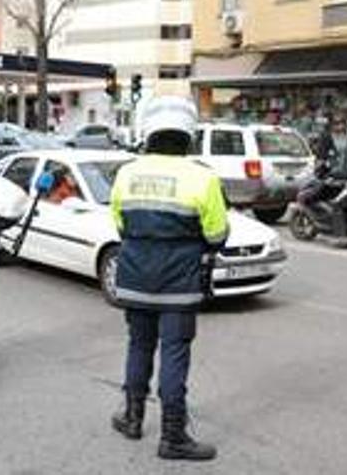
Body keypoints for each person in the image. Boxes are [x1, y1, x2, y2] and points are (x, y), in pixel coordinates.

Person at [109, 96, 228, 461]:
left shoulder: (127, 173)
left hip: (133, 279)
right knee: (175, 353)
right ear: (187, 135)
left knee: (138, 346)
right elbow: (217, 235)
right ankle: (173, 436)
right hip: (179, 284)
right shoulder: (203, 177)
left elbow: (119, 224)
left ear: (150, 133)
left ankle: (132, 417)